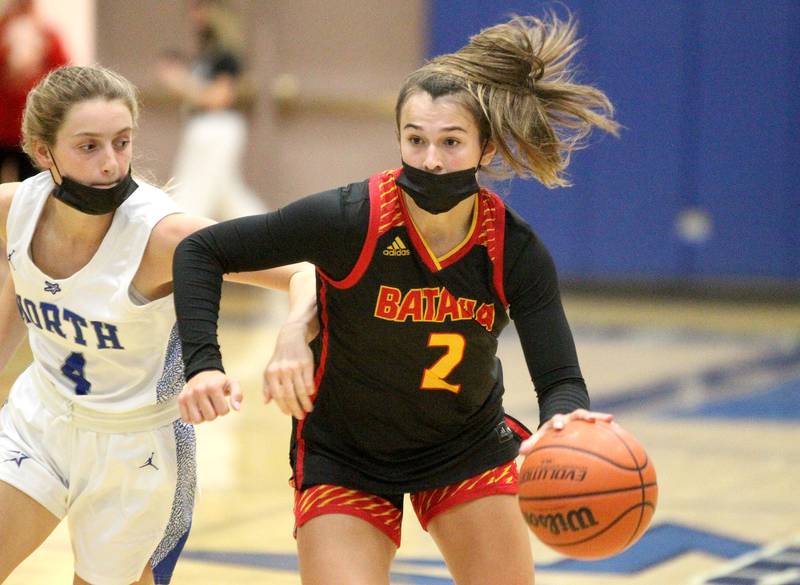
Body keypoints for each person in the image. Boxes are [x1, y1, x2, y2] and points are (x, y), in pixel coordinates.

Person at [173, 13, 618, 585]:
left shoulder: (514, 249)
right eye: (416, 140)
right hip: (345, 453)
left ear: (485, 149)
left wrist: (565, 423)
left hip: (465, 446)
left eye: (451, 142)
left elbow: (559, 378)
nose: (431, 159)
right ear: (399, 140)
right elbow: (200, 251)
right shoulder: (348, 219)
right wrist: (203, 365)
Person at [0, 64, 316, 585]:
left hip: (132, 448)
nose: (111, 164)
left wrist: (288, 337)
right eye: (89, 147)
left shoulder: (165, 236)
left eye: (122, 143)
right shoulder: (17, 207)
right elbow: (23, 280)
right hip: (41, 420)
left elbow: (302, 271)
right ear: (42, 152)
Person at [156, 0, 265, 221]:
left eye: (199, 8)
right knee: (227, 194)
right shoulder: (205, 52)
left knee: (194, 190)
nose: (195, 15)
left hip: (217, 127)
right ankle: (264, 231)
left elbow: (219, 98)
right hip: (202, 126)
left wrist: (180, 82)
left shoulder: (226, 54)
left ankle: (183, 238)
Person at [0, 0, 69, 183]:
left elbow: (62, 76)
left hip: (31, 127)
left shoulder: (48, 37)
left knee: (30, 186)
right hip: (3, 124)